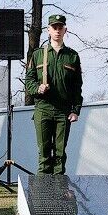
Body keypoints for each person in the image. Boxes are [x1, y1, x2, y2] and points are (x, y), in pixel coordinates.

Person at [25, 14, 83, 175]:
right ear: (48, 30)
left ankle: (58, 194)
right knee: (44, 154)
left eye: (60, 27)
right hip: (43, 109)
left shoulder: (72, 56)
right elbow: (28, 80)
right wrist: (38, 88)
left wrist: (75, 110)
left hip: (63, 112)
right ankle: (44, 195)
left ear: (65, 30)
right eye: (54, 27)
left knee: (59, 154)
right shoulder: (37, 55)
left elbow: (77, 86)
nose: (57, 30)